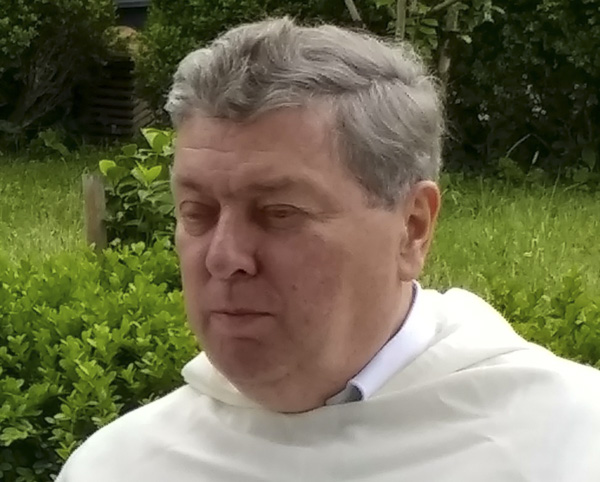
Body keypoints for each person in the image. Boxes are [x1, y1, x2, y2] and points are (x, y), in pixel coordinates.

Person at [57, 17, 600, 481]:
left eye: (279, 214)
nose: (223, 257)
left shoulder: (567, 444)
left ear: (412, 228)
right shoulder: (120, 466)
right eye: (197, 213)